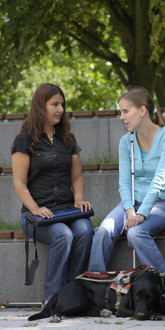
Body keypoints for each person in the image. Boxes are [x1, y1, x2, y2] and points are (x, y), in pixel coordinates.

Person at [11, 84, 94, 306]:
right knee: (63, 236)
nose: (60, 109)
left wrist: (78, 198)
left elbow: (76, 177)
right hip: (35, 213)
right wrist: (35, 208)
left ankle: (71, 293)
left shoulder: (67, 139)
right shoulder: (25, 140)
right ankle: (52, 299)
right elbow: (19, 182)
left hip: (66, 209)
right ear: (41, 107)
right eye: (54, 104)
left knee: (85, 230)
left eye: (62, 104)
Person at [88, 87, 165, 276]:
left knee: (136, 233)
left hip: (162, 203)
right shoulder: (126, 141)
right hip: (131, 204)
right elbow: (124, 181)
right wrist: (130, 211)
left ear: (142, 110)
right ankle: (95, 288)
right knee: (102, 232)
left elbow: (160, 179)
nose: (121, 117)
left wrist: (141, 214)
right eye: (120, 112)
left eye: (125, 111)